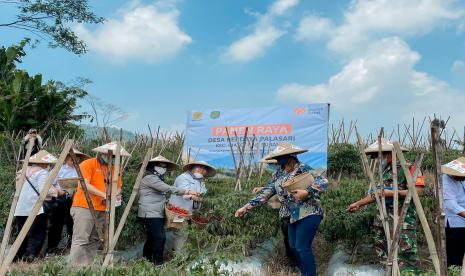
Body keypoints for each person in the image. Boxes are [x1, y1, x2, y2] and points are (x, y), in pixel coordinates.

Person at [235, 143, 328, 276]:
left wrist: (307, 192)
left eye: (281, 160)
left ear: (291, 158)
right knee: (293, 246)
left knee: (302, 247)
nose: (279, 163)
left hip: (309, 211)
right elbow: (266, 193)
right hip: (291, 215)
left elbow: (323, 181)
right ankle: (305, 271)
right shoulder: (279, 174)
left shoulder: (303, 168)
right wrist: (246, 207)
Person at [346, 138, 425, 273]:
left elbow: (417, 192)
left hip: (402, 220)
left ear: (389, 153)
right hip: (383, 220)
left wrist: (392, 193)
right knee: (385, 255)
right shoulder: (385, 170)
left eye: (378, 156)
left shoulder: (409, 168)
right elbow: (376, 194)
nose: (377, 159)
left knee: (406, 255)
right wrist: (358, 204)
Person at [69, 142, 131, 266]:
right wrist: (104, 195)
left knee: (94, 238)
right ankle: (74, 267)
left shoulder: (115, 168)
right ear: (102, 153)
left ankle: (87, 266)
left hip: (103, 208)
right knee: (81, 238)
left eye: (115, 156)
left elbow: (118, 187)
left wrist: (115, 195)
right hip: (84, 206)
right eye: (111, 155)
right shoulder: (88, 163)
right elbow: (83, 184)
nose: (112, 158)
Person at [138, 155, 199, 266]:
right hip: (150, 212)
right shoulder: (150, 178)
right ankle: (158, 264)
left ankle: (146, 261)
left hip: (156, 212)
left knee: (152, 238)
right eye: (160, 166)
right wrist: (187, 191)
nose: (163, 168)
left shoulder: (157, 178)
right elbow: (167, 188)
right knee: (160, 238)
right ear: (153, 166)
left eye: (165, 166)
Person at [251, 156, 297, 266]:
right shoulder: (276, 174)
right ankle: (291, 259)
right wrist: (262, 188)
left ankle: (297, 260)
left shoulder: (294, 171)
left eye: (275, 163)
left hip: (295, 208)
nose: (274, 165)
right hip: (285, 210)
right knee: (287, 236)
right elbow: (271, 188)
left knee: (296, 239)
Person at [14, 150, 58, 262]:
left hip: (21, 207)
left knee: (21, 233)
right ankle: (29, 258)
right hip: (36, 207)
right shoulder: (42, 173)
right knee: (36, 234)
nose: (48, 166)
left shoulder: (21, 172)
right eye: (47, 164)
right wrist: (57, 192)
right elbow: (44, 190)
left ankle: (17, 257)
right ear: (43, 163)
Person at [47, 149, 90, 254]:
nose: (73, 159)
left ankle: (72, 247)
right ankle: (52, 248)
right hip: (61, 199)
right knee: (56, 224)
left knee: (74, 223)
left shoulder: (81, 169)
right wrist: (58, 190)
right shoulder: (58, 170)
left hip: (76, 199)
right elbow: (48, 183)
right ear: (65, 158)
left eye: (76, 157)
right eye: (71, 156)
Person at [169, 160, 216, 253]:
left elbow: (203, 193)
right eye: (199, 167)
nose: (201, 170)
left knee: (189, 232)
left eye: (204, 168)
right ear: (193, 167)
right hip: (178, 211)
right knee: (180, 233)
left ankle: (183, 252)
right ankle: (179, 257)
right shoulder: (183, 178)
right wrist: (196, 197)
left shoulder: (201, 180)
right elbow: (185, 194)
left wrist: (203, 202)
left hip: (191, 212)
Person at [441, 157, 465, 267]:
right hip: (455, 224)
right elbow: (451, 205)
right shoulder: (445, 181)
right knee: (455, 258)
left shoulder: (462, 179)